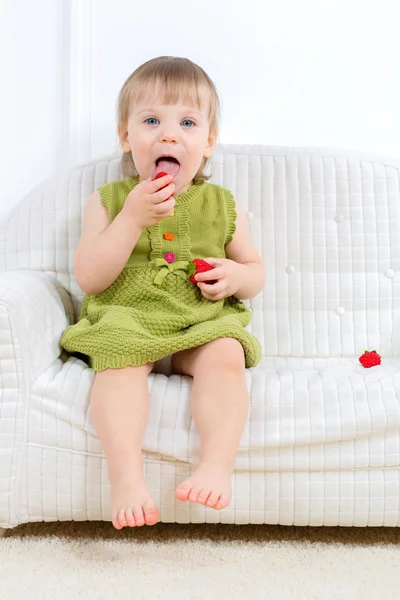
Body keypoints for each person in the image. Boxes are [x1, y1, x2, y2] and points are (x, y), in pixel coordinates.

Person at [61, 56, 265, 530]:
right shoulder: (109, 200)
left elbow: (256, 272)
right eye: (151, 121)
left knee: (226, 356)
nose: (169, 135)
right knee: (116, 367)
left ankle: (217, 463)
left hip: (200, 319)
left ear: (208, 143)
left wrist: (236, 276)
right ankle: (126, 478)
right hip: (128, 319)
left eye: (187, 123)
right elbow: (90, 278)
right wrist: (131, 219)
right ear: (126, 137)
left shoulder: (221, 203)